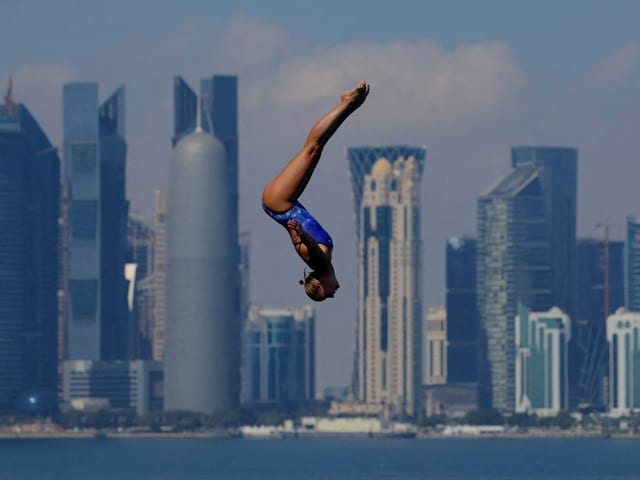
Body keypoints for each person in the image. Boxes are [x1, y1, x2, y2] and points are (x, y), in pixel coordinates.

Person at [261, 80, 370, 301]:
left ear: (320, 284)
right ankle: (349, 105)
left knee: (312, 149)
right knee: (315, 150)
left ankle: (347, 103)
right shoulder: (324, 260)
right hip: (285, 203)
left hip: (280, 202)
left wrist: (300, 234)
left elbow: (308, 246)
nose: (332, 295)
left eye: (326, 294)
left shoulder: (319, 262)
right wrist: (300, 234)